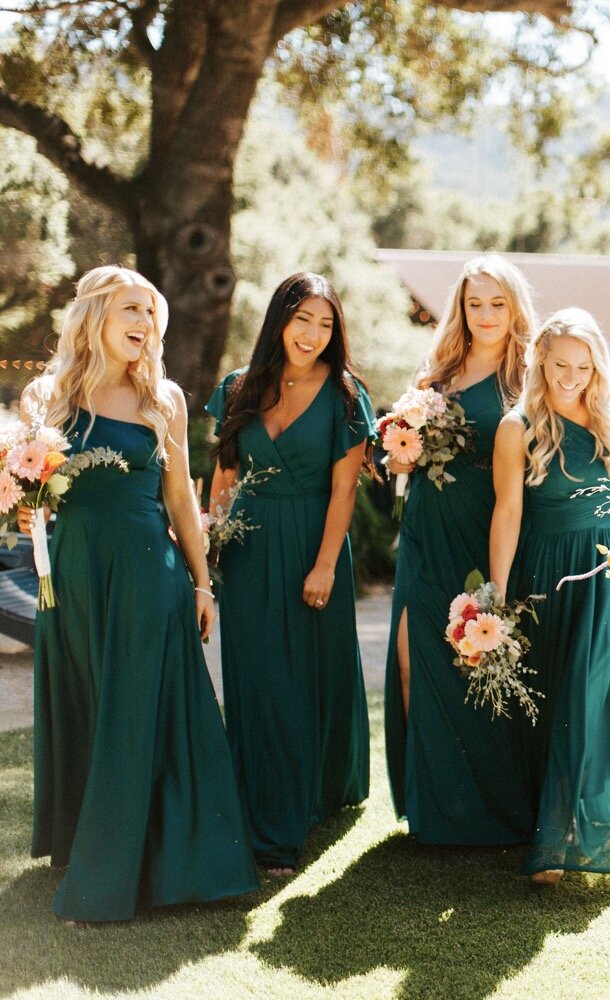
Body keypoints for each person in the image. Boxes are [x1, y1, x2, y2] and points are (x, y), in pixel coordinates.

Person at [25, 265, 259, 922]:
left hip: (145, 570)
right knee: (89, 702)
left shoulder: (166, 399)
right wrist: (24, 502)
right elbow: (29, 492)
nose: (143, 325)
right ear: (95, 314)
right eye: (131, 309)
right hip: (68, 573)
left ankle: (133, 870)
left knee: (135, 708)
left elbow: (181, 495)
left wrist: (203, 582)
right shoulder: (48, 396)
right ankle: (88, 843)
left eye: (151, 315)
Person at [207, 272, 375, 874]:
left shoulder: (346, 394)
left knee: (309, 674)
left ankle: (312, 798)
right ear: (279, 318)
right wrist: (209, 551)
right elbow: (224, 478)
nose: (312, 333)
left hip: (312, 542)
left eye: (325, 324)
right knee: (257, 678)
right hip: (247, 552)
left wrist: (326, 564)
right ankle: (261, 806)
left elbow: (344, 491)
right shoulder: (238, 388)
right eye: (303, 318)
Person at [488, 307, 610, 881]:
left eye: (582, 367)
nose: (570, 376)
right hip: (551, 571)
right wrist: (497, 594)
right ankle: (556, 834)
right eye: (560, 364)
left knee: (601, 695)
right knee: (567, 700)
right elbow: (508, 512)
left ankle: (585, 830)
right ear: (540, 357)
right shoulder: (518, 426)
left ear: (597, 366)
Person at [383, 255, 537, 843]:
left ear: (516, 306)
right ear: (462, 308)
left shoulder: (526, 377)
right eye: (476, 303)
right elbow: (399, 450)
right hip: (424, 527)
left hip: (483, 529)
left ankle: (485, 808)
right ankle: (431, 805)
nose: (487, 314)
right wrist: (399, 453)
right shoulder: (438, 370)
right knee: (409, 654)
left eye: (498, 303)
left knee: (476, 654)